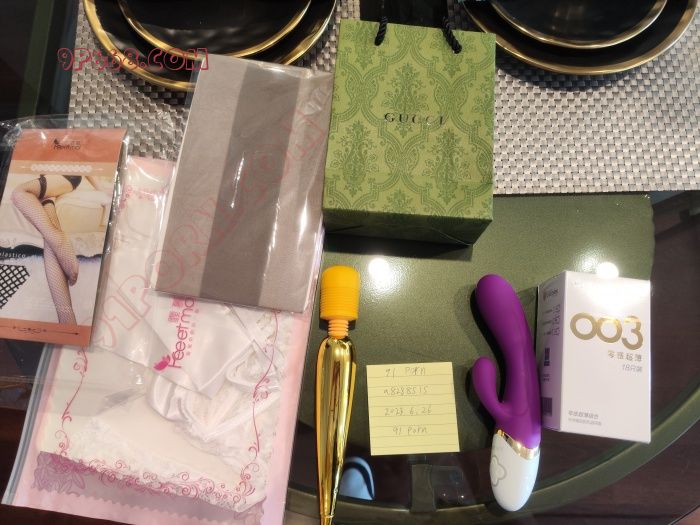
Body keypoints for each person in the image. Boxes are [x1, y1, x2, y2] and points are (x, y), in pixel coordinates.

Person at [11, 174, 83, 324]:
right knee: (50, 239)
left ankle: (59, 240)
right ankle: (67, 320)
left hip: (66, 176)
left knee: (19, 193)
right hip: (48, 183)